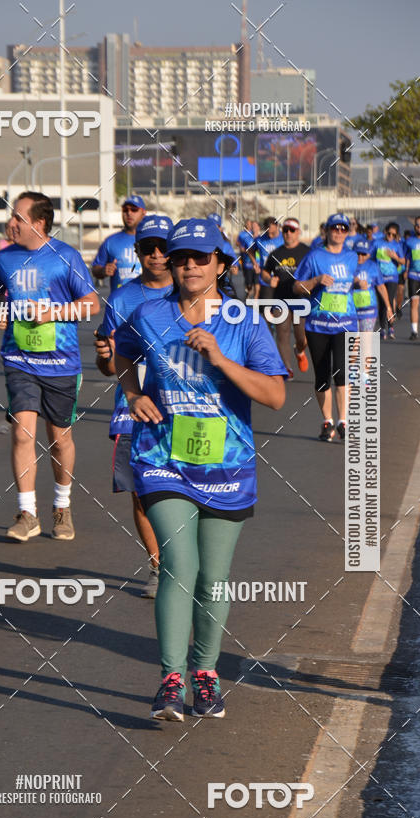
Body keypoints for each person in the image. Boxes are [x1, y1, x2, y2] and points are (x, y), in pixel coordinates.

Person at [114, 218, 287, 720]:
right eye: (181, 256)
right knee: (179, 566)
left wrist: (220, 359)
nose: (189, 265)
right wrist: (132, 393)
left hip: (226, 464)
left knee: (213, 579)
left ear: (220, 264)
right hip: (162, 458)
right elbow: (122, 355)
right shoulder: (148, 314)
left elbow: (275, 395)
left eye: (201, 257)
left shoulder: (244, 321)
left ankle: (205, 674)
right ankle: (171, 681)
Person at [0, 192, 99, 541]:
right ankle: (27, 513)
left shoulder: (64, 257)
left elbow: (91, 304)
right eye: (11, 216)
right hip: (19, 359)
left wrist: (54, 312)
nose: (11, 223)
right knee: (22, 432)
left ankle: (62, 506)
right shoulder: (4, 259)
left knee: (59, 439)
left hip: (60, 363)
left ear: (38, 223)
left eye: (17, 218)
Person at [94, 215, 174, 597]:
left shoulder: (194, 291)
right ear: (137, 252)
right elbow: (109, 366)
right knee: (142, 493)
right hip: (134, 410)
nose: (156, 256)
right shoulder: (123, 298)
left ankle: (186, 560)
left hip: (186, 409)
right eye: (148, 249)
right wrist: (105, 354)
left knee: (185, 491)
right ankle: (159, 566)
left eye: (163, 248)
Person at [293, 212, 358, 442]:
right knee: (322, 376)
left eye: (343, 228)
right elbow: (297, 287)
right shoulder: (314, 256)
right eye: (335, 228)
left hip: (345, 323)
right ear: (327, 231)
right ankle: (327, 421)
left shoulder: (352, 258)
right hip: (318, 324)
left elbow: (352, 285)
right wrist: (316, 280)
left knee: (341, 372)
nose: (339, 232)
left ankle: (344, 422)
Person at [261, 216, 309, 377]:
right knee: (282, 334)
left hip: (301, 300)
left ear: (298, 232)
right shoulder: (276, 253)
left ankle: (299, 350)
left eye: (292, 230)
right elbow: (265, 271)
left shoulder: (307, 252)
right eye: (285, 230)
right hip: (280, 300)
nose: (288, 233)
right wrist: (270, 279)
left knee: (302, 337)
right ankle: (287, 368)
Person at [92, 195, 146, 293]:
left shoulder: (151, 239)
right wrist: (103, 270)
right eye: (125, 210)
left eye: (134, 209)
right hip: (120, 304)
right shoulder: (111, 241)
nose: (129, 213)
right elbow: (95, 268)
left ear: (143, 213)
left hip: (146, 302)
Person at [372, 222, 405, 335]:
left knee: (389, 300)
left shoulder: (397, 246)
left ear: (396, 236)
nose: (390, 236)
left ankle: (391, 326)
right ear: (385, 231)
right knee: (381, 302)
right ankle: (382, 327)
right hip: (379, 278)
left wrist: (394, 256)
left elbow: (403, 261)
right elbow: (370, 258)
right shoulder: (377, 243)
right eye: (389, 233)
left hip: (392, 277)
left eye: (393, 235)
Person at [353, 238, 392, 334]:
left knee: (367, 346)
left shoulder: (373, 266)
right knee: (352, 346)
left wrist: (388, 308)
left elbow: (381, 287)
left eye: (363, 254)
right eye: (357, 253)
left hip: (369, 311)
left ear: (369, 254)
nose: (360, 257)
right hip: (351, 312)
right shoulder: (348, 266)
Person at [252, 216, 282, 302]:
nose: (270, 235)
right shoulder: (260, 240)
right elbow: (250, 250)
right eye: (268, 233)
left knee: (282, 309)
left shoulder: (284, 239)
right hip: (265, 280)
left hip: (281, 278)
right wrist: (255, 263)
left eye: (273, 233)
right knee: (266, 309)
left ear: (277, 227)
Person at [236, 218, 259, 299]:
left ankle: (256, 297)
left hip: (258, 262)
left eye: (250, 224)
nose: (249, 225)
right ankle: (249, 289)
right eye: (248, 224)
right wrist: (242, 249)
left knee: (257, 280)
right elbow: (238, 243)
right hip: (246, 260)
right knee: (248, 280)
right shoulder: (242, 234)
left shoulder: (256, 235)